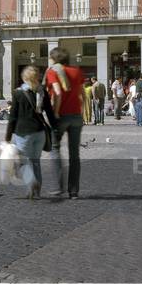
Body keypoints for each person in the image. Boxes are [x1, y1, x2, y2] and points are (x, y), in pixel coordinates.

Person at [45, 47, 85, 199]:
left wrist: (55, 112)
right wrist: (81, 111)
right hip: (76, 117)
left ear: (54, 59)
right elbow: (82, 95)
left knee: (55, 149)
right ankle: (73, 191)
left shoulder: (52, 71)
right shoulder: (77, 71)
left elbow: (58, 93)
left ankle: (58, 187)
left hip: (61, 116)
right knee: (75, 154)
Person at [5, 65, 50, 199]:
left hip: (23, 132)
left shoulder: (18, 93)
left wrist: (8, 136)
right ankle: (38, 190)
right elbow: (50, 113)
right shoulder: (42, 91)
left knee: (23, 161)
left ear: (24, 78)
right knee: (35, 161)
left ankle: (31, 183)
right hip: (40, 132)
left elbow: (13, 116)